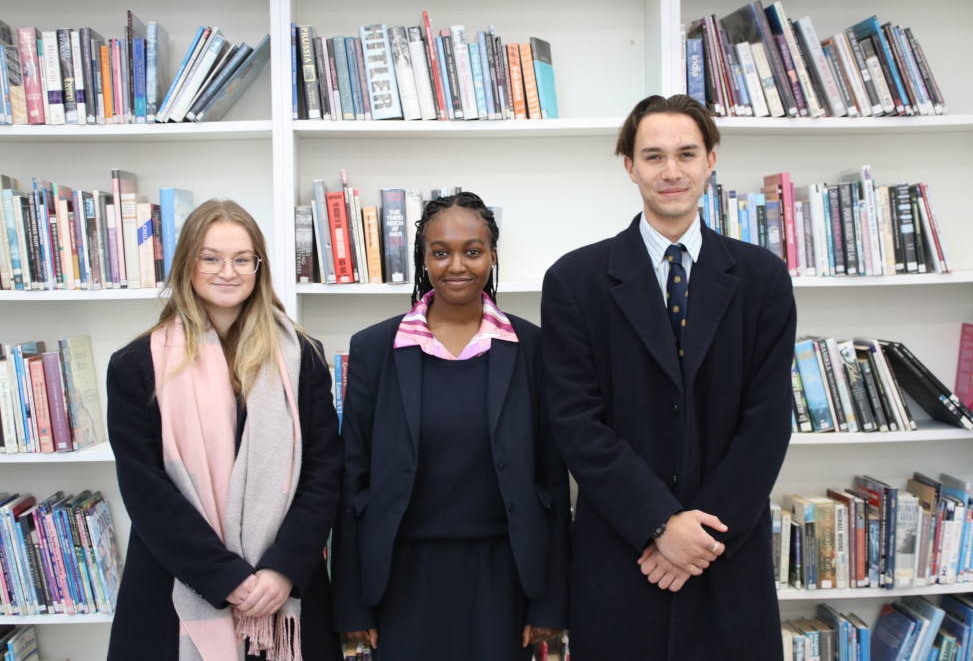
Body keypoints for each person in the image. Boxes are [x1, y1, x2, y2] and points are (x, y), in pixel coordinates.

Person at [540, 94, 797, 659]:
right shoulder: (574, 281)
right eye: (653, 156)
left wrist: (698, 539)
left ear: (711, 160)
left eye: (686, 153)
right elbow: (575, 422)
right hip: (624, 554)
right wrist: (659, 524)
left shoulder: (763, 278)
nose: (672, 172)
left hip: (725, 553)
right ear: (629, 167)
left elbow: (769, 420)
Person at [332, 191, 570, 660]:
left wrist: (550, 601)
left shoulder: (534, 348)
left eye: (472, 251)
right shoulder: (375, 349)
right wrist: (352, 606)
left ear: (492, 256)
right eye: (440, 252)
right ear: (424, 259)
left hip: (504, 577)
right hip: (400, 579)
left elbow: (553, 481)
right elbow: (350, 482)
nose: (456, 265)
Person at [106, 200, 341, 660]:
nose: (227, 272)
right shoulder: (135, 366)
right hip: (173, 588)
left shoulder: (303, 358)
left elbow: (323, 473)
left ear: (259, 267)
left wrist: (282, 570)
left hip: (285, 595)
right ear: (186, 265)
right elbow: (144, 489)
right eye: (210, 258)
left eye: (241, 259)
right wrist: (225, 578)